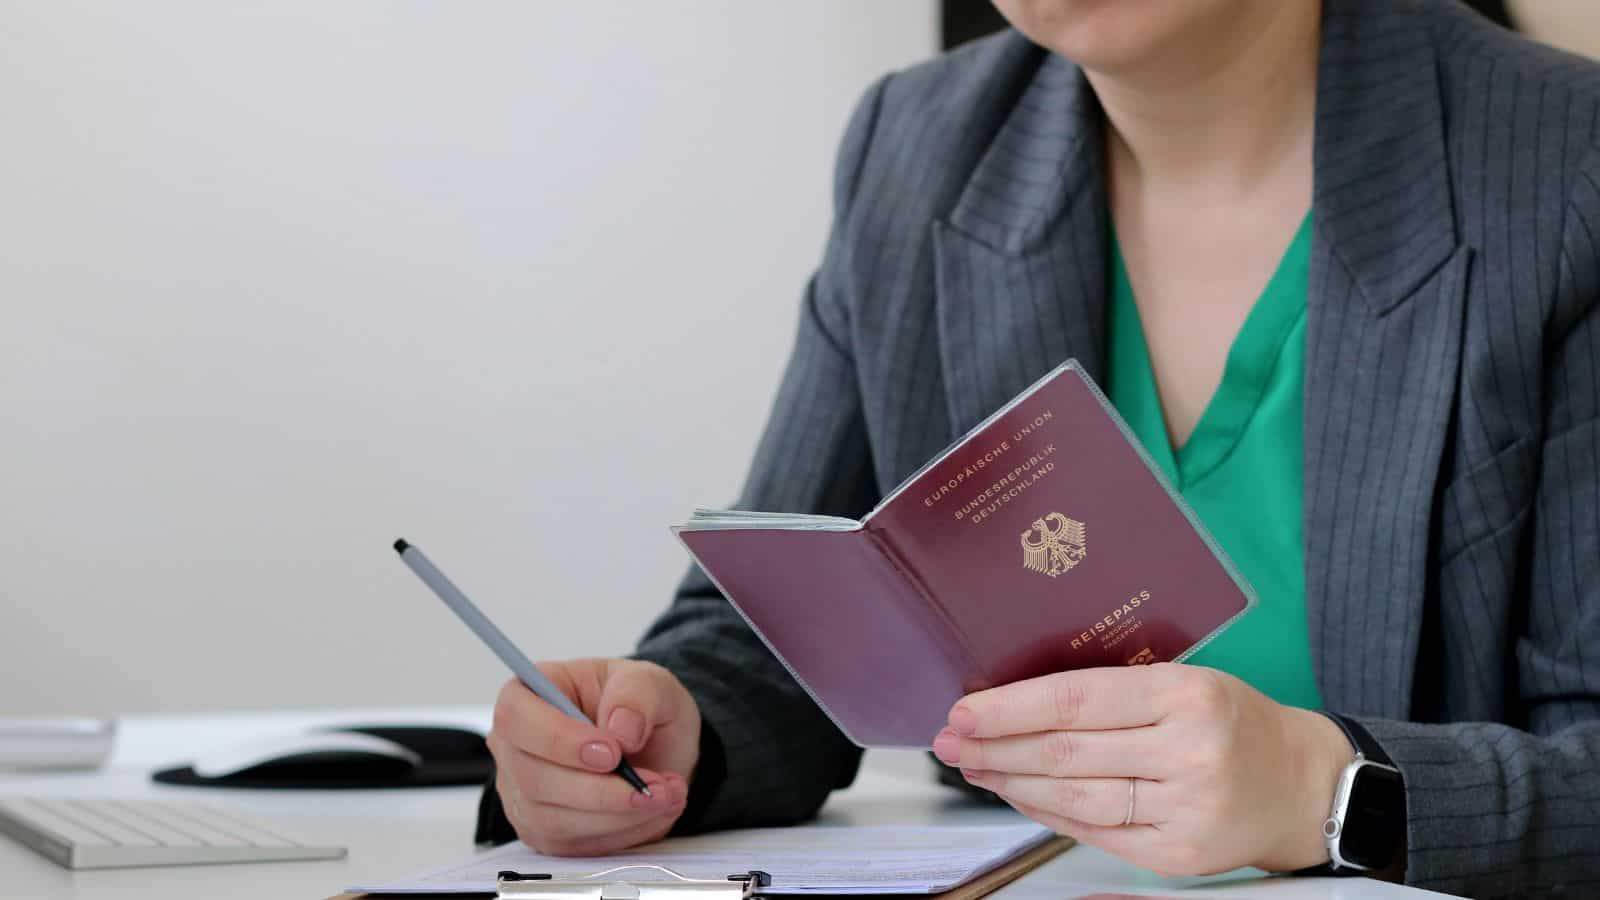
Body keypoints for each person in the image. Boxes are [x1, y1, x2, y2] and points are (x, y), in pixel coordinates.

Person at [478, 0, 1600, 895]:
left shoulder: (1561, 165)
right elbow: (784, 634)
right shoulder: (916, 149)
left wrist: (1332, 790)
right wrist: (674, 736)